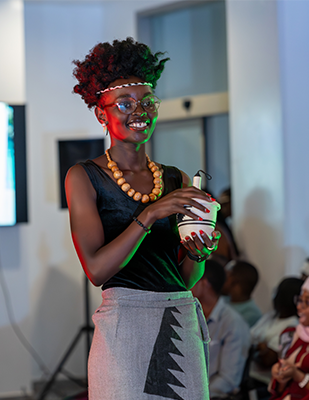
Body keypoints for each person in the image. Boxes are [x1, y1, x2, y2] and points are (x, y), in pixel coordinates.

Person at [65, 37, 220, 399]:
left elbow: (186, 279)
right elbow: (97, 271)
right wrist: (150, 213)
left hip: (179, 317)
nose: (140, 111)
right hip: (124, 325)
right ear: (101, 114)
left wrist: (199, 253)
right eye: (125, 103)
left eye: (147, 102)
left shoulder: (174, 178)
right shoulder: (84, 176)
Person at [191, 259, 251, 398]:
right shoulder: (189, 314)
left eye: (192, 279)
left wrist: (197, 395)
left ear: (205, 283)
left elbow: (229, 379)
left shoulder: (233, 323)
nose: (186, 284)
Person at [247, 277, 303, 398]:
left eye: (279, 293)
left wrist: (258, 346)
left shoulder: (293, 325)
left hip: (262, 382)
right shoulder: (271, 316)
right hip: (248, 374)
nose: (275, 297)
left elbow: (269, 359)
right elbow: (247, 337)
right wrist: (260, 346)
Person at [269, 278, 309, 399]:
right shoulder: (290, 335)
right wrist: (279, 374)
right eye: (299, 300)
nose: (299, 307)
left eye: (307, 302)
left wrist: (298, 376)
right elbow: (280, 389)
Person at [222, 260, 263, 327]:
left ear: (234, 281)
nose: (223, 279)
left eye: (227, 275)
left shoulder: (252, 314)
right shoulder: (223, 300)